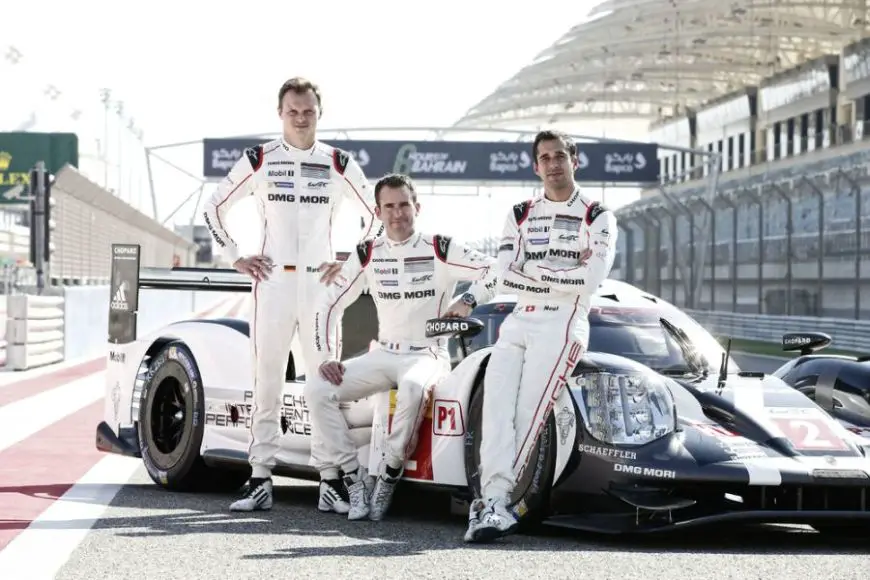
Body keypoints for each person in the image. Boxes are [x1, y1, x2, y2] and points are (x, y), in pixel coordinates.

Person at [201, 76, 382, 513]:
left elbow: (376, 214)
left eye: (309, 112)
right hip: (272, 283)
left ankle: (330, 480)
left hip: (320, 288)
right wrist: (235, 257)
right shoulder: (260, 157)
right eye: (293, 111)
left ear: (320, 114)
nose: (301, 119)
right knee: (267, 381)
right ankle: (260, 476)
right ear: (280, 113)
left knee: (324, 382)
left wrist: (351, 263)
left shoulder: (338, 162)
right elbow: (213, 207)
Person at [305, 173, 499, 521]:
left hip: (427, 355)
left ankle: (389, 476)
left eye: (404, 205)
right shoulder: (368, 253)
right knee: (318, 388)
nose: (397, 213)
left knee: (411, 388)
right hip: (384, 353)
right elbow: (328, 303)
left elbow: (494, 271)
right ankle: (354, 480)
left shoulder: (440, 247)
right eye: (389, 206)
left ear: (417, 207)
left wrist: (469, 298)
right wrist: (325, 358)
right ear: (378, 213)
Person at [463, 129, 618, 543]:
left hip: (563, 323)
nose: (553, 164)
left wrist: (533, 275)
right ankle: (491, 502)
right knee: (495, 410)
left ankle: (500, 504)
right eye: (545, 158)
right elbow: (503, 273)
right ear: (536, 166)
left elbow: (591, 279)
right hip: (519, 320)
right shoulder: (519, 213)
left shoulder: (597, 214)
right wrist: (558, 278)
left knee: (526, 415)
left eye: (560, 156)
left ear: (575, 160)